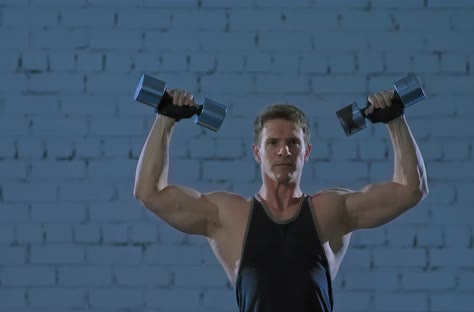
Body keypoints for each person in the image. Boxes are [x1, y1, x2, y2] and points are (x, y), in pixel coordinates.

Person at [133, 88, 429, 312]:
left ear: (307, 152)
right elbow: (149, 193)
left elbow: (410, 190)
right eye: (273, 143)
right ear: (257, 152)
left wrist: (395, 120)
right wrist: (165, 119)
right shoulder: (228, 216)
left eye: (293, 143)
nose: (284, 151)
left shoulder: (331, 210)